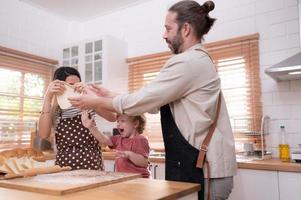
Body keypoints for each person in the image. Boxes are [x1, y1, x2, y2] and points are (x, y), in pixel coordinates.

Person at [69, 1, 237, 199]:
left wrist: (95, 102)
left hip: (205, 167)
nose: (164, 35)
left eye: (167, 28)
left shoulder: (188, 62)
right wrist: (108, 95)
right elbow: (153, 99)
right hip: (198, 164)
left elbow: (143, 101)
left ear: (185, 29)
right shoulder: (195, 61)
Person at [38, 66, 116, 170]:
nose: (74, 88)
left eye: (77, 84)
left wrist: (90, 94)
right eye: (70, 85)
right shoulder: (55, 109)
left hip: (92, 165)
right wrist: (47, 97)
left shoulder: (88, 103)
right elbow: (43, 134)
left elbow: (112, 118)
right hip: (64, 166)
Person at [81, 111, 150, 178]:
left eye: (122, 121)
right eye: (118, 121)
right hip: (124, 179)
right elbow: (104, 139)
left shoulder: (140, 140)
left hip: (139, 179)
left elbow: (144, 162)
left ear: (135, 124)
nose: (118, 124)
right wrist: (91, 127)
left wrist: (129, 155)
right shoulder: (118, 139)